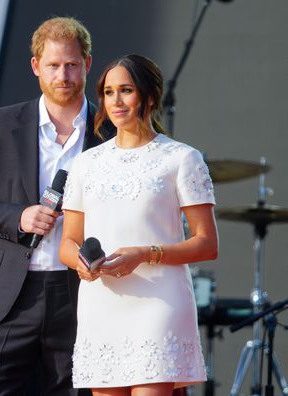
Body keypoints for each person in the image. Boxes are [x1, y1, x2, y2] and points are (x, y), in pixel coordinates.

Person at [0, 16, 114, 395]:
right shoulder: (1, 124)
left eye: (72, 64)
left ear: (87, 64)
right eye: (54, 65)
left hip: (82, 294)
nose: (63, 75)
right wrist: (17, 217)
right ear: (36, 67)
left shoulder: (109, 133)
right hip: (7, 296)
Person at [59, 54, 219, 396]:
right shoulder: (85, 165)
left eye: (126, 90)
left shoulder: (181, 159)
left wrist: (146, 253)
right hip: (101, 304)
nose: (115, 101)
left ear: (147, 96)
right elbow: (68, 243)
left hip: (159, 304)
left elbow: (207, 244)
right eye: (108, 91)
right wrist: (82, 265)